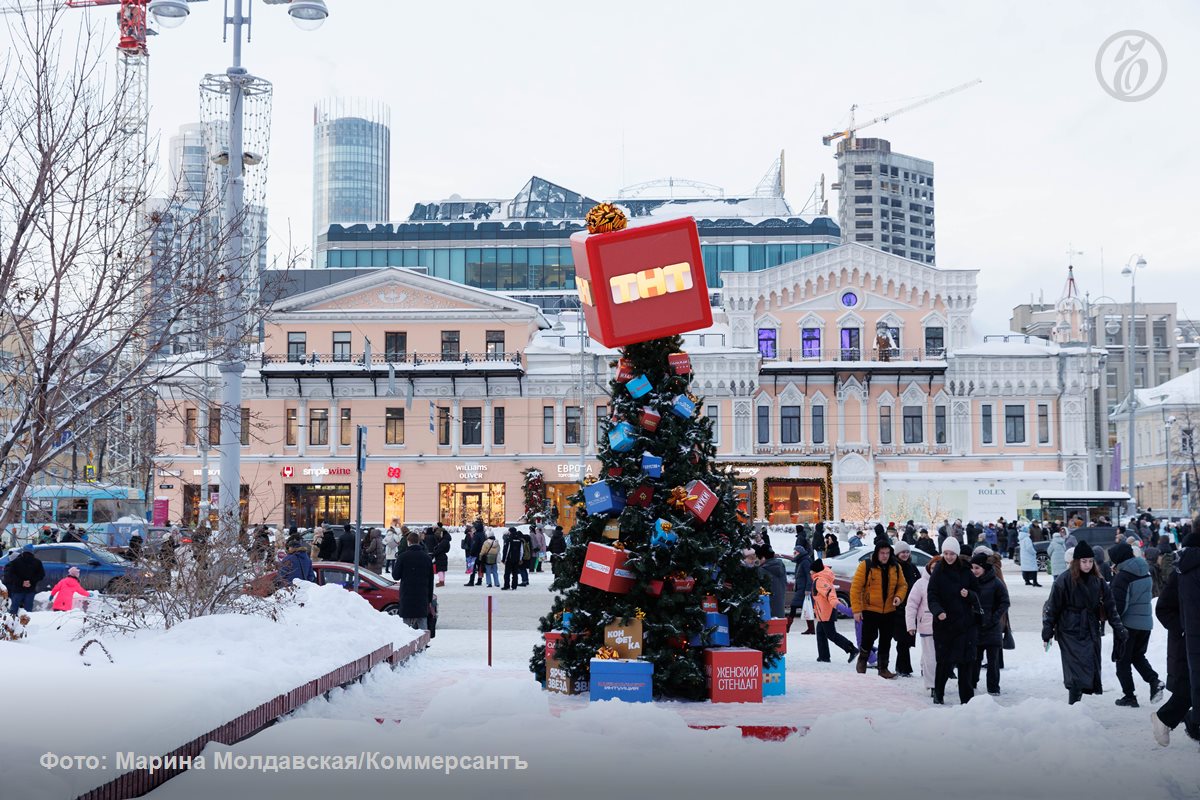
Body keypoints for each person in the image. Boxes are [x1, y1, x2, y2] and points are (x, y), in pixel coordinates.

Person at [1042, 542, 1129, 704]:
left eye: (1090, 561)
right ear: (1076, 562)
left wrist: (1118, 627)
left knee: (1087, 666)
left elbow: (1111, 607)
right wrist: (1047, 630)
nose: (1088, 565)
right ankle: (1073, 706)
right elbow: (1053, 607)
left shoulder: (1098, 580)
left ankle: (1076, 704)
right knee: (1075, 670)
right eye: (1084, 561)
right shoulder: (1064, 580)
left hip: (1090, 629)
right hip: (1068, 630)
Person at [1108, 541, 1163, 708]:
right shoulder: (1144, 571)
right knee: (1137, 656)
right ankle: (1154, 681)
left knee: (1122, 661)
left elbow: (1119, 606)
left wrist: (1111, 619)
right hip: (1145, 623)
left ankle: (1129, 696)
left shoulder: (1123, 576)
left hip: (1128, 625)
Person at [1151, 560, 1199, 746]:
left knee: (1190, 689)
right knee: (1188, 688)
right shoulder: (1182, 571)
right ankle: (1166, 719)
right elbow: (1163, 608)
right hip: (1187, 642)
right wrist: (1186, 628)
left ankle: (1187, 721)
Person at [927, 537, 979, 705]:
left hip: (964, 624)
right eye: (946, 553)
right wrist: (938, 611)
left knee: (965, 662)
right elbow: (932, 595)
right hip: (944, 624)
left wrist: (968, 595)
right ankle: (938, 694)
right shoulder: (938, 571)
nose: (948, 557)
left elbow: (977, 594)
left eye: (952, 554)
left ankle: (967, 699)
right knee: (943, 662)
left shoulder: (966, 570)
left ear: (957, 554)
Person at [849, 540, 908, 679]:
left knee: (886, 640)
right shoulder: (866, 566)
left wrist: (899, 597)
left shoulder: (895, 567)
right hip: (870, 609)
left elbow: (903, 585)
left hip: (889, 610)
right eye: (882, 553)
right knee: (868, 638)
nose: (885, 556)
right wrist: (857, 610)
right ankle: (862, 661)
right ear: (877, 553)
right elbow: (855, 589)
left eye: (887, 553)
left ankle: (883, 667)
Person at [970, 552, 1010, 696]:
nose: (973, 571)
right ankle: (972, 683)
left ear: (984, 568)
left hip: (992, 628)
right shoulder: (971, 582)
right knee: (975, 658)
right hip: (976, 627)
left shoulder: (996, 583)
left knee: (993, 661)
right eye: (972, 568)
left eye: (976, 568)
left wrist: (994, 618)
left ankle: (993, 688)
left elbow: (1005, 602)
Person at [811, 558, 858, 663]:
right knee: (820, 632)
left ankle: (852, 649)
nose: (810, 572)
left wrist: (837, 604)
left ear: (815, 570)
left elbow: (829, 594)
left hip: (827, 612)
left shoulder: (820, 580)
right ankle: (824, 656)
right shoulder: (819, 578)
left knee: (831, 634)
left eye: (811, 570)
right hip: (822, 612)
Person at [906, 556, 940, 696]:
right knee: (930, 656)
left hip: (946, 625)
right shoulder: (921, 583)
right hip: (927, 624)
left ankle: (939, 682)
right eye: (933, 568)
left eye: (938, 568)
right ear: (929, 568)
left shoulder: (948, 581)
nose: (935, 571)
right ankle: (932, 685)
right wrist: (911, 625)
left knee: (941, 657)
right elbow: (912, 605)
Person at [391, 531, 434, 631]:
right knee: (422, 622)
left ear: (408, 542)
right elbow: (431, 581)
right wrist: (429, 599)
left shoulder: (403, 557)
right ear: (419, 541)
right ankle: (424, 644)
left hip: (407, 594)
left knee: (406, 623)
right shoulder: (427, 558)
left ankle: (406, 642)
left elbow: (395, 576)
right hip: (422, 595)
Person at [892, 541, 922, 677]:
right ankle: (903, 668)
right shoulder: (894, 568)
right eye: (902, 552)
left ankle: (902, 667)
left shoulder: (912, 567)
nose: (905, 554)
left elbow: (920, 584)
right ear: (897, 553)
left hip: (911, 608)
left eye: (907, 552)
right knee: (902, 640)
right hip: (898, 609)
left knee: (907, 640)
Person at [786, 526, 814, 634]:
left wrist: (807, 589)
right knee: (805, 608)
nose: (794, 554)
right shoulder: (800, 561)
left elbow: (808, 576)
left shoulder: (805, 562)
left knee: (794, 607)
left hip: (803, 590)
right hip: (800, 589)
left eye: (795, 553)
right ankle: (811, 629)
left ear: (800, 553)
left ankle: (787, 627)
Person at [3, 545, 45, 614]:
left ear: (23, 551)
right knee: (28, 611)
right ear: (32, 552)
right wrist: (31, 582)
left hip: (17, 589)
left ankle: (12, 623)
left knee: (14, 609)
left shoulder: (15, 562)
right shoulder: (37, 562)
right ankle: (26, 624)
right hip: (30, 589)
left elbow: (10, 575)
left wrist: (21, 582)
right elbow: (41, 575)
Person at [465, 519, 486, 586]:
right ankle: (479, 580)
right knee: (480, 567)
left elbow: (474, 545)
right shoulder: (483, 535)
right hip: (482, 553)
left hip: (475, 554)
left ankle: (471, 581)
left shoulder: (476, 535)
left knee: (473, 568)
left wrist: (471, 553)